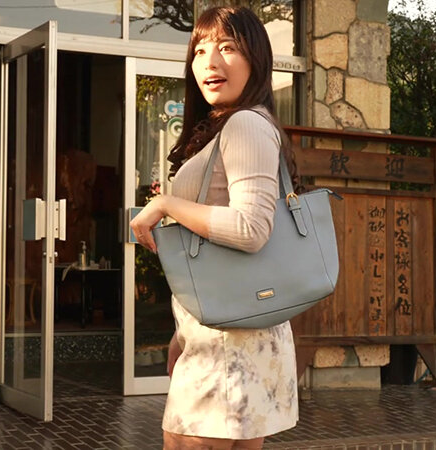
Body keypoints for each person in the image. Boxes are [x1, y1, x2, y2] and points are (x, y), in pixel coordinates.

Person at [129, 6, 299, 450]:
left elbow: (251, 228)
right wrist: (183, 330)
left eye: (227, 47)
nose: (211, 61)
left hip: (228, 347)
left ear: (256, 60)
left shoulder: (245, 124)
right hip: (229, 332)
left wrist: (165, 203)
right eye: (201, 49)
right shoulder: (231, 125)